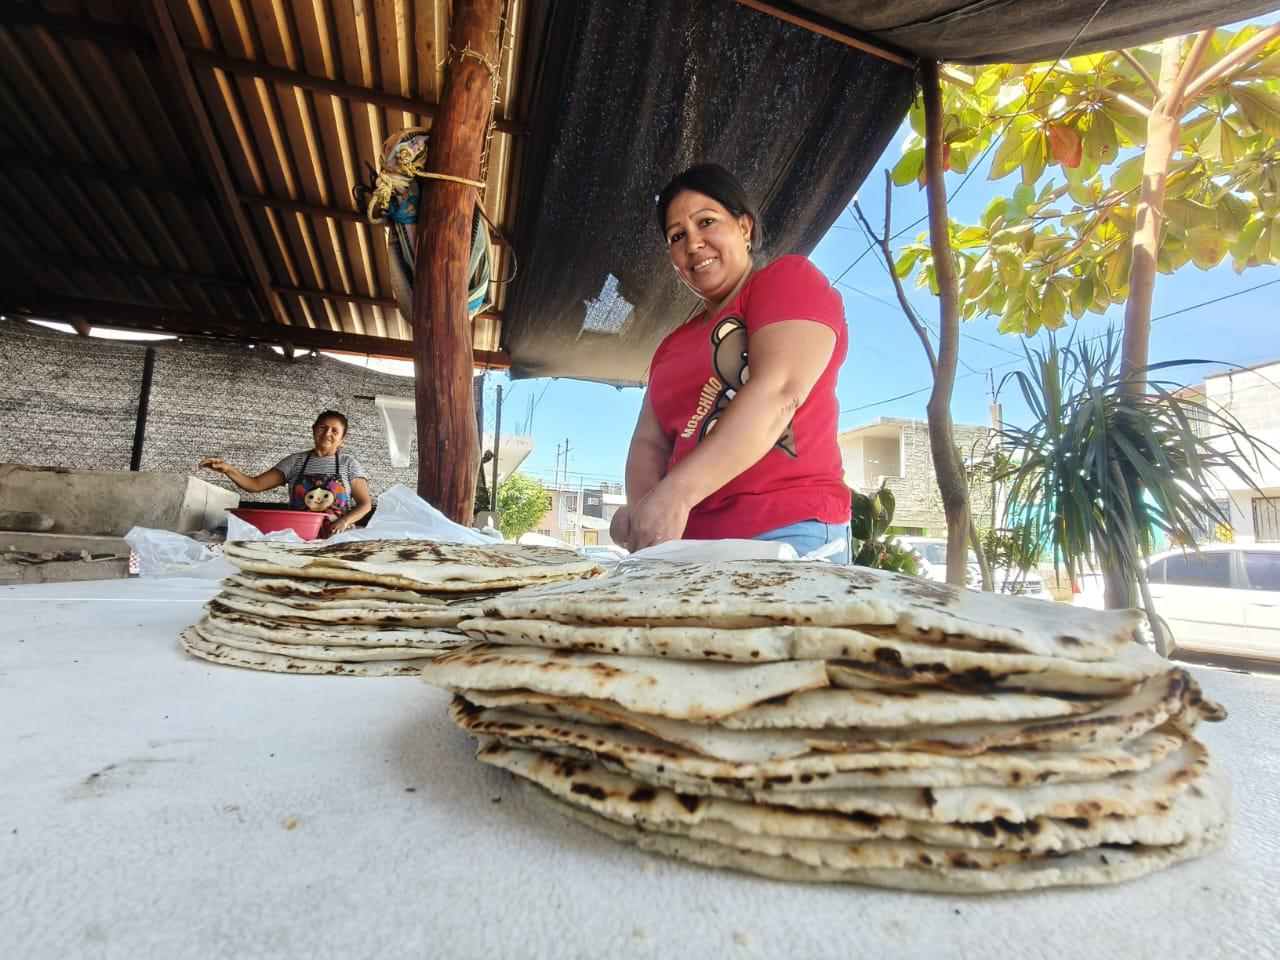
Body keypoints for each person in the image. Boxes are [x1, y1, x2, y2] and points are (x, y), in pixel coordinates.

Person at [609, 163, 851, 561]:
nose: (693, 243)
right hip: (687, 547)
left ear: (744, 227)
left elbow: (779, 390)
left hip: (787, 532)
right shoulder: (671, 346)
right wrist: (645, 516)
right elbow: (649, 442)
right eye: (677, 236)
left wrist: (675, 494)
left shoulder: (786, 279)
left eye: (707, 222)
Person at [199, 411, 373, 535]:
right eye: (323, 427)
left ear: (343, 438)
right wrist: (228, 469)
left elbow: (365, 503)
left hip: (338, 537)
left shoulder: (349, 464)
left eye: (335, 431)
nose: (327, 433)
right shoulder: (295, 462)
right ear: (314, 430)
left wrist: (344, 521)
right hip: (299, 535)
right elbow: (255, 485)